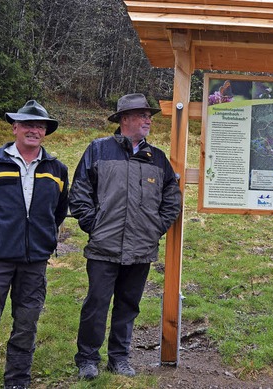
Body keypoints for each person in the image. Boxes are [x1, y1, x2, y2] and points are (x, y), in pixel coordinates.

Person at [69, 93, 181, 379]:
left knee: (128, 306)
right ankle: (87, 359)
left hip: (141, 248)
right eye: (142, 115)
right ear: (124, 119)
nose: (148, 120)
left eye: (149, 116)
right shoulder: (98, 150)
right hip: (103, 246)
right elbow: (79, 192)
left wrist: (155, 227)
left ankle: (119, 358)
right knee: (96, 304)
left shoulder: (157, 158)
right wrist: (94, 224)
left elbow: (172, 198)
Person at [0, 100, 69, 389]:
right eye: (28, 124)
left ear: (45, 132)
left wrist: (42, 238)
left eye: (40, 126)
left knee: (26, 325)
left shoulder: (57, 169)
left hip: (34, 262)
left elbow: (57, 212)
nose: (34, 130)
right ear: (15, 127)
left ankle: (17, 382)